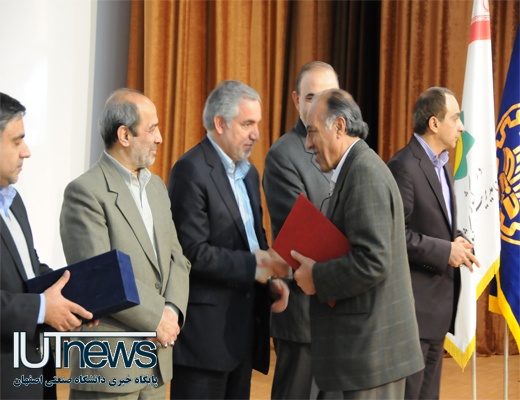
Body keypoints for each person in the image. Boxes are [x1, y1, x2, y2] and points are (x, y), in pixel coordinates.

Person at [292, 88, 424, 399]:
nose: (307, 143)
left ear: (339, 127)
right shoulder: (357, 167)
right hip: (365, 353)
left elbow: (373, 261)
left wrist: (317, 277)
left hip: (371, 355)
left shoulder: (364, 173)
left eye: (312, 132)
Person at [59, 88, 191, 399]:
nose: (160, 138)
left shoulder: (157, 187)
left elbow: (177, 258)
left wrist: (171, 312)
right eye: (152, 128)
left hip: (157, 361)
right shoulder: (85, 192)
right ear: (124, 135)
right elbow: (101, 279)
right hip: (110, 368)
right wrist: (157, 318)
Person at [167, 80, 290, 399]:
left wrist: (269, 280)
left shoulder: (249, 174)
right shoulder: (190, 170)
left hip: (242, 336)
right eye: (247, 123)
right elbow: (191, 253)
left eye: (257, 124)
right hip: (203, 342)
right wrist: (255, 266)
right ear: (220, 123)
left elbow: (253, 242)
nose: (256, 134)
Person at [387, 86, 480, 399]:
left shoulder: (443, 164)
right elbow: (395, 235)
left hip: (437, 308)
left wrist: (457, 239)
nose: (461, 127)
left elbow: (436, 223)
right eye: (455, 118)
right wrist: (446, 251)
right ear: (434, 123)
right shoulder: (403, 166)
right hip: (414, 310)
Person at [0, 92, 95, 400]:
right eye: (17, 141)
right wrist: (42, 309)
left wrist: (76, 298)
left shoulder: (13, 201)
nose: (26, 152)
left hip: (35, 373)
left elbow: (30, 269)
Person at [263, 61, 339, 400]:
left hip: (341, 316)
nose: (320, 105)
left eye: (328, 96)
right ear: (296, 101)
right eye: (311, 97)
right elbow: (306, 233)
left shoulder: (345, 151)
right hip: (304, 316)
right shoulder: (284, 155)